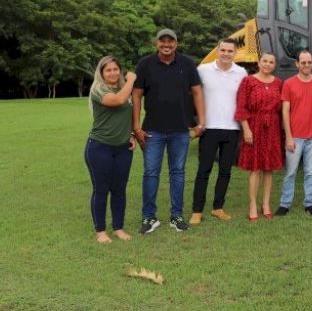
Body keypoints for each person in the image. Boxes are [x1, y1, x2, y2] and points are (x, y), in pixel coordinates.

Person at [132, 29, 205, 234]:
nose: (166, 44)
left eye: (170, 41)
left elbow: (197, 92)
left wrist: (201, 123)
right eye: (162, 41)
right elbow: (136, 95)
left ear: (176, 43)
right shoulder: (145, 64)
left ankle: (177, 216)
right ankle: (149, 217)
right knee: (151, 173)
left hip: (180, 129)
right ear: (156, 43)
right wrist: (136, 127)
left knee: (178, 173)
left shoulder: (187, 63)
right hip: (152, 130)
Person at [189, 39, 247, 225]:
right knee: (203, 170)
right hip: (208, 128)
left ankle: (218, 208)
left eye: (230, 51)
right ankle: (197, 210)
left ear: (235, 53)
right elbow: (192, 96)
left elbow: (244, 101)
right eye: (222, 50)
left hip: (232, 129)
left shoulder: (241, 73)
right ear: (217, 50)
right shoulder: (203, 70)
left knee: (225, 171)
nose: (226, 54)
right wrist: (195, 122)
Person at [85, 56, 137, 243]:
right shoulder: (98, 89)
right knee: (101, 189)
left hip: (123, 148)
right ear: (101, 73)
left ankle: (118, 228)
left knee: (119, 189)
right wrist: (131, 79)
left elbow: (129, 112)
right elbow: (117, 101)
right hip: (100, 147)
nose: (113, 73)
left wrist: (131, 133)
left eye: (116, 69)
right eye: (108, 70)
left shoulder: (124, 88)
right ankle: (100, 231)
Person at [275, 50, 312, 216]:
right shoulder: (288, 83)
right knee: (290, 172)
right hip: (295, 136)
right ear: (297, 64)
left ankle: (309, 203)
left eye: (309, 62)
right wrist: (288, 136)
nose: (306, 65)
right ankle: (285, 204)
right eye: (303, 62)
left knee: (311, 172)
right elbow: (285, 111)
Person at [235, 52, 283, 221]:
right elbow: (241, 107)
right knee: (255, 168)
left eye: (271, 62)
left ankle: (266, 203)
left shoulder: (279, 83)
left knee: (269, 168)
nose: (268, 64)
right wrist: (246, 129)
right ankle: (253, 204)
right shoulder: (248, 81)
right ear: (259, 62)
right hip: (254, 126)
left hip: (273, 128)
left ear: (274, 65)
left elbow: (283, 108)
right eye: (265, 61)